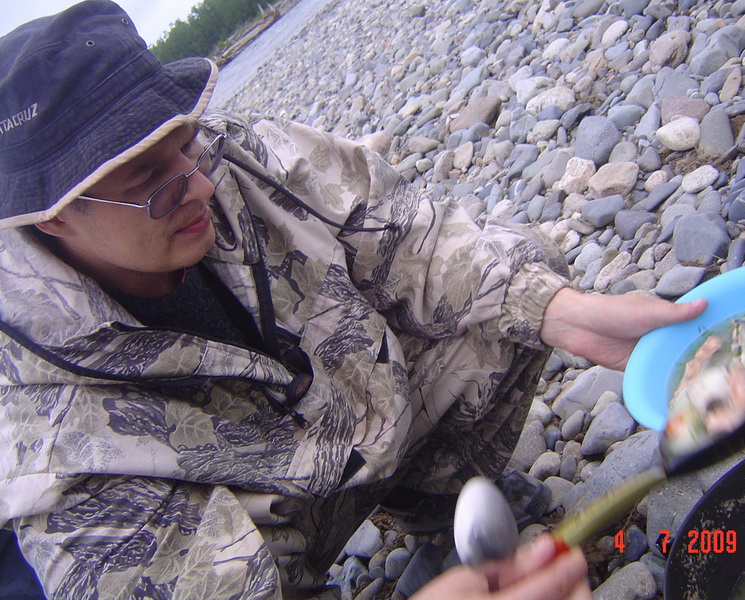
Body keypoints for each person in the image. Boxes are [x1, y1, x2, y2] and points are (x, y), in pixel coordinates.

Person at [0, 2, 706, 599]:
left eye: (186, 141)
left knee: (520, 283)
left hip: (363, 417)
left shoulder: (230, 157)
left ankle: (433, 504)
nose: (202, 184)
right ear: (52, 220)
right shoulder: (37, 427)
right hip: (266, 543)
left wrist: (560, 311)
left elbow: (412, 238)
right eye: (153, 181)